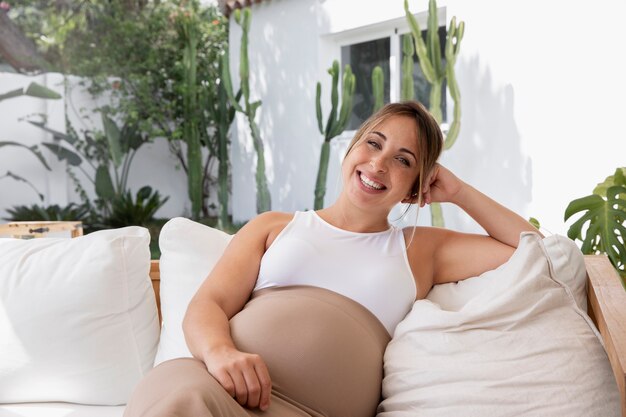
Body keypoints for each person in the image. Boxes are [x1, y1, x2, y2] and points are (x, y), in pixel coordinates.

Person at [124, 101, 541, 417]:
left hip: (312, 413)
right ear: (352, 149)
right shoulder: (275, 226)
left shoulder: (420, 249)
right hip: (218, 390)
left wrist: (459, 191)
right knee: (184, 401)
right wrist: (220, 353)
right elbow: (208, 303)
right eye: (373, 144)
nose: (378, 164)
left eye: (403, 160)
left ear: (417, 186)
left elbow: (530, 246)